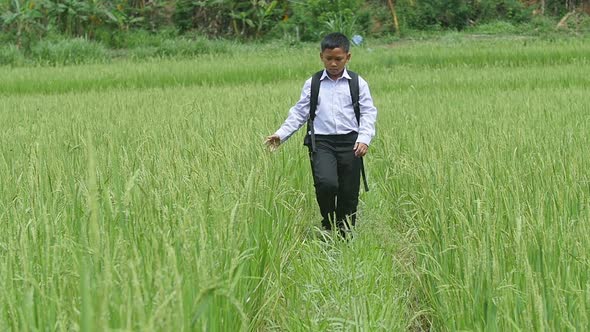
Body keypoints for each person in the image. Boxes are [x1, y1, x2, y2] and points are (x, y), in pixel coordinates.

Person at [265, 32, 377, 237]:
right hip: (322, 143)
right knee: (326, 183)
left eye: (338, 59)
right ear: (321, 57)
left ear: (348, 57)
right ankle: (328, 222)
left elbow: (369, 112)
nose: (333, 63)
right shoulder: (313, 83)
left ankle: (346, 233)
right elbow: (299, 113)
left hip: (351, 142)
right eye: (329, 59)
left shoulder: (358, 83)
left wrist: (364, 139)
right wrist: (280, 135)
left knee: (349, 192)